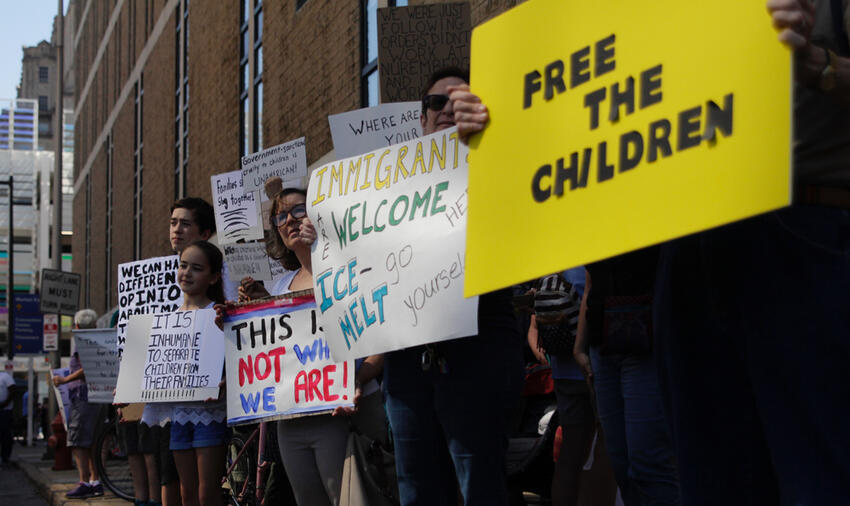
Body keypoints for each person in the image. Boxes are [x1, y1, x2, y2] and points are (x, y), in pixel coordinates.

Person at [648, 1, 850, 504]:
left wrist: (818, 66)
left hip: (800, 234)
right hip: (689, 244)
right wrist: (502, 123)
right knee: (712, 479)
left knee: (818, 476)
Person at [379, 67, 524, 506]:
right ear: (421, 119)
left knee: (478, 481)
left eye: (457, 100)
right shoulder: (383, 193)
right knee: (417, 487)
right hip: (407, 361)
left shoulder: (497, 168)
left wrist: (486, 143)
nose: (445, 109)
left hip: (477, 346)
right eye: (435, 103)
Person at [238, 186, 384, 506]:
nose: (289, 220)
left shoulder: (347, 270)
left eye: (298, 210)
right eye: (281, 216)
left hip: (342, 415)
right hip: (291, 422)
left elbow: (381, 342)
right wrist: (238, 318)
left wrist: (356, 381)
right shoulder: (279, 287)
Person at [170, 240, 229, 506]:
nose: (187, 273)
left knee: (208, 494)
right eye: (183, 266)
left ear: (214, 277)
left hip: (210, 413)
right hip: (178, 414)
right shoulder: (166, 320)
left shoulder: (219, 314)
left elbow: (236, 358)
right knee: (187, 494)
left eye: (196, 268)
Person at [53, 308, 105, 498]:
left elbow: (85, 368)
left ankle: (84, 481)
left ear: (76, 326)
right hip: (94, 396)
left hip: (83, 396)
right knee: (92, 442)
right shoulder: (97, 341)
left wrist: (63, 380)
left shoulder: (84, 342)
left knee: (79, 441)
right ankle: (95, 481)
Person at [0, 366, 15, 464]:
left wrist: (5, 403)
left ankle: (5, 457)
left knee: (5, 434)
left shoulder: (5, 376)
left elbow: (12, 390)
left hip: (5, 410)